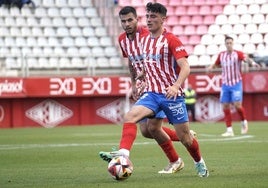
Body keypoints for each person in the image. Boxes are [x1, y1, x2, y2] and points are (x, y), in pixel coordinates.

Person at [100, 2, 209, 177]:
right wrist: (140, 76)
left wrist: (175, 86)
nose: (149, 20)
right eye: (148, 16)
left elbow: (186, 67)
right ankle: (123, 156)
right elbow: (147, 63)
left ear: (163, 19)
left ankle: (199, 162)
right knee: (131, 117)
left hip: (171, 95)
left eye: (153, 17)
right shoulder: (146, 41)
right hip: (152, 93)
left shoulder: (171, 39)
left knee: (185, 139)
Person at [207, 35, 260, 137]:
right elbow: (216, 64)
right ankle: (229, 129)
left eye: (231, 43)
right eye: (227, 43)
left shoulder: (238, 54)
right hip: (225, 84)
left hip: (236, 83)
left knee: (237, 105)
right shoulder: (222, 55)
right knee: (225, 106)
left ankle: (244, 121)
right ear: (225, 44)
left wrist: (253, 63)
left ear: (233, 43)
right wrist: (211, 67)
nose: (229, 45)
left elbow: (246, 58)